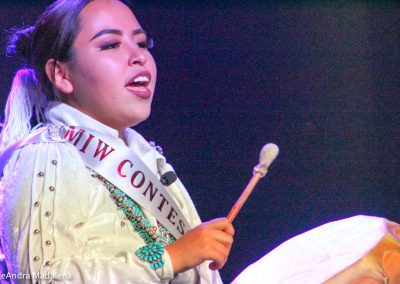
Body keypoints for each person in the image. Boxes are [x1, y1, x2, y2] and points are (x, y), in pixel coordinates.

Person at [0, 0, 234, 283]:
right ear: (61, 74)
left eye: (142, 43)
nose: (139, 57)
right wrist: (170, 258)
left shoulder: (148, 158)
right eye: (111, 44)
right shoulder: (47, 153)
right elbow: (40, 277)